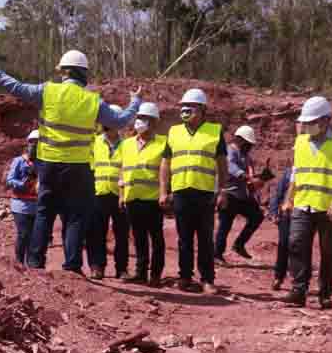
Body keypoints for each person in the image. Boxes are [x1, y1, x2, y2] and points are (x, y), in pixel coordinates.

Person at [0, 51, 141, 273]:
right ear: (83, 73)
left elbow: (15, 86)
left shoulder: (47, 91)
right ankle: (72, 266)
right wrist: (135, 101)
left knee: (44, 212)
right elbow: (119, 120)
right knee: (75, 216)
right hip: (79, 167)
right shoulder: (92, 100)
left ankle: (35, 262)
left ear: (65, 72)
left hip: (49, 164)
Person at [160, 89, 229, 294]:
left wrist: (222, 191)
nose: (185, 110)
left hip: (205, 192)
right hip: (181, 192)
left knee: (206, 237)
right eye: (182, 106)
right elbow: (165, 164)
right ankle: (185, 277)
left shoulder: (214, 131)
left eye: (190, 106)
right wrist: (164, 191)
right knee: (184, 238)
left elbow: (222, 165)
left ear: (202, 109)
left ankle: (207, 279)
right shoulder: (174, 132)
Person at [280, 96, 332, 309]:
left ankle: (324, 294)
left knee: (327, 251)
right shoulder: (300, 142)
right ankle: (298, 290)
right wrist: (288, 199)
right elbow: (296, 173)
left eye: (311, 122)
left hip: (327, 208)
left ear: (325, 121)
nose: (307, 126)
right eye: (306, 122)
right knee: (296, 244)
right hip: (302, 204)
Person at [121, 103, 167, 287]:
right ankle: (140, 273)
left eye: (145, 118)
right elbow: (122, 170)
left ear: (154, 122)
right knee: (138, 238)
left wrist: (166, 193)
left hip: (154, 199)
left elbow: (167, 170)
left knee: (156, 238)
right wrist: (122, 195)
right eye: (139, 117)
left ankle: (155, 275)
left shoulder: (164, 143)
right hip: (132, 198)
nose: (140, 122)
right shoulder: (126, 144)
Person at [214, 126, 265, 262]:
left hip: (242, 195)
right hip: (228, 194)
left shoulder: (246, 157)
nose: (250, 147)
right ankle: (217, 254)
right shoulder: (229, 151)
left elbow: (250, 176)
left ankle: (239, 244)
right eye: (248, 143)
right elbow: (230, 167)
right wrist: (247, 177)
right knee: (225, 225)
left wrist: (257, 182)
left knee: (257, 216)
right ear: (240, 140)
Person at [88, 110, 128, 279]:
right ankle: (97, 266)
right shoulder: (95, 143)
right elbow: (89, 167)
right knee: (96, 232)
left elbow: (128, 170)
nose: (105, 125)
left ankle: (122, 269)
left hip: (120, 194)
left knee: (122, 233)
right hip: (98, 192)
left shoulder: (128, 145)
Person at [6, 130, 40, 265]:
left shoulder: (43, 163)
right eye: (33, 143)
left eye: (38, 143)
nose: (35, 146)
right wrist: (22, 184)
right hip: (20, 205)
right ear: (28, 144)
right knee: (24, 234)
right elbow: (10, 180)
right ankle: (19, 262)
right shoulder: (19, 161)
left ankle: (32, 265)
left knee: (34, 237)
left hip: (36, 206)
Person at [269, 165, 292, 290]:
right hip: (286, 214)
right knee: (283, 245)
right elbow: (278, 193)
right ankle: (278, 277)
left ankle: (300, 282)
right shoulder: (288, 172)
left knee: (300, 248)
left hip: (304, 215)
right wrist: (273, 212)